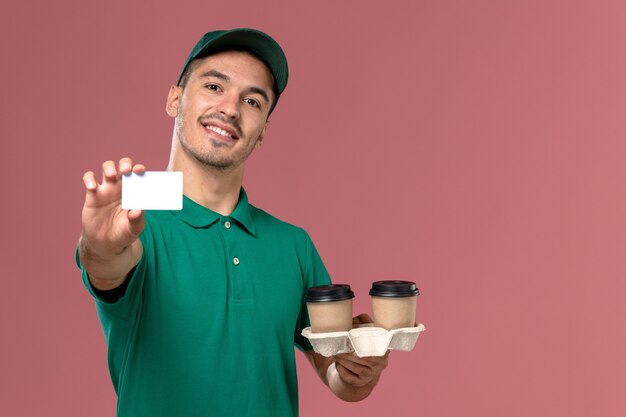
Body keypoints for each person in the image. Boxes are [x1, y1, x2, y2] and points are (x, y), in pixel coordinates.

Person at [77, 28, 389, 417]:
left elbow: (337, 375)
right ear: (175, 98)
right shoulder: (132, 215)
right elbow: (107, 262)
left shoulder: (292, 243)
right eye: (213, 86)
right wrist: (100, 247)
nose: (230, 109)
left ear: (262, 133)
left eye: (253, 101)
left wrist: (359, 372)